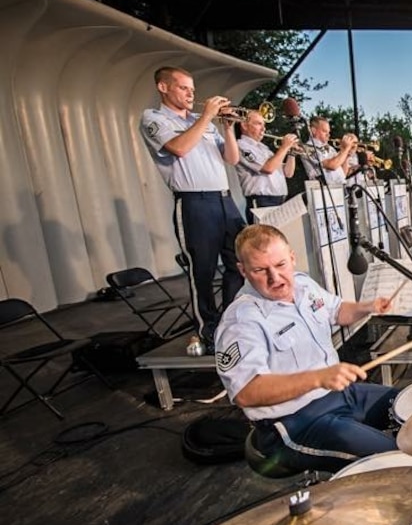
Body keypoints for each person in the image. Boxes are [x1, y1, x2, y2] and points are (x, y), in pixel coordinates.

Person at [215, 225, 398, 473]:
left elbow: (336, 311)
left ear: (292, 257)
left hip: (342, 395)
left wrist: (368, 306)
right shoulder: (241, 320)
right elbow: (246, 392)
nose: (275, 278)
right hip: (294, 423)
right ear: (243, 271)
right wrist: (317, 378)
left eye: (280, 265)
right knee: (399, 459)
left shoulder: (303, 284)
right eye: (260, 270)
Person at [140, 66, 246, 349]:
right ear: (163, 88)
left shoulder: (205, 122)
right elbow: (180, 147)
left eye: (192, 89)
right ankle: (208, 329)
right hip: (194, 202)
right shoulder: (155, 118)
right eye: (184, 88)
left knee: (242, 260)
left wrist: (227, 127)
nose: (191, 94)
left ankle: (230, 319)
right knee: (203, 270)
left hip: (224, 199)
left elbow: (232, 159)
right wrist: (209, 115)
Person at [234, 110, 298, 224]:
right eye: (258, 124)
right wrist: (284, 147)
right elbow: (268, 168)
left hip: (279, 200)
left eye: (264, 125)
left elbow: (288, 173)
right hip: (261, 202)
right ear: (244, 125)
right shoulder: (241, 145)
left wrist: (291, 152)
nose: (263, 129)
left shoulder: (264, 148)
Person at [299, 116, 357, 186]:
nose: (328, 135)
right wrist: (345, 149)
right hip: (324, 190)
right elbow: (332, 166)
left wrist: (346, 156)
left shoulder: (330, 148)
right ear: (313, 131)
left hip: (339, 187)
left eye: (329, 132)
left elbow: (342, 174)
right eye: (324, 131)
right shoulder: (308, 148)